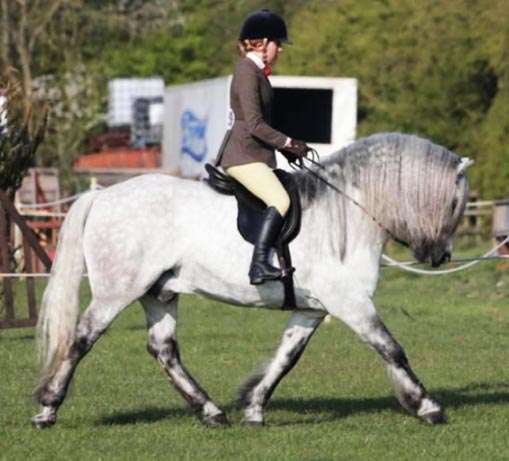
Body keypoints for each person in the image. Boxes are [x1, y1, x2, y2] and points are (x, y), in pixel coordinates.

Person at [216, 9, 309, 285]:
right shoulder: (247, 70)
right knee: (280, 200)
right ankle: (258, 265)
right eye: (276, 43)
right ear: (261, 41)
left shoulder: (256, 72)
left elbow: (257, 124)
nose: (279, 49)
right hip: (242, 155)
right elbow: (255, 124)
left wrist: (283, 150)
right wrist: (289, 142)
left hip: (253, 152)